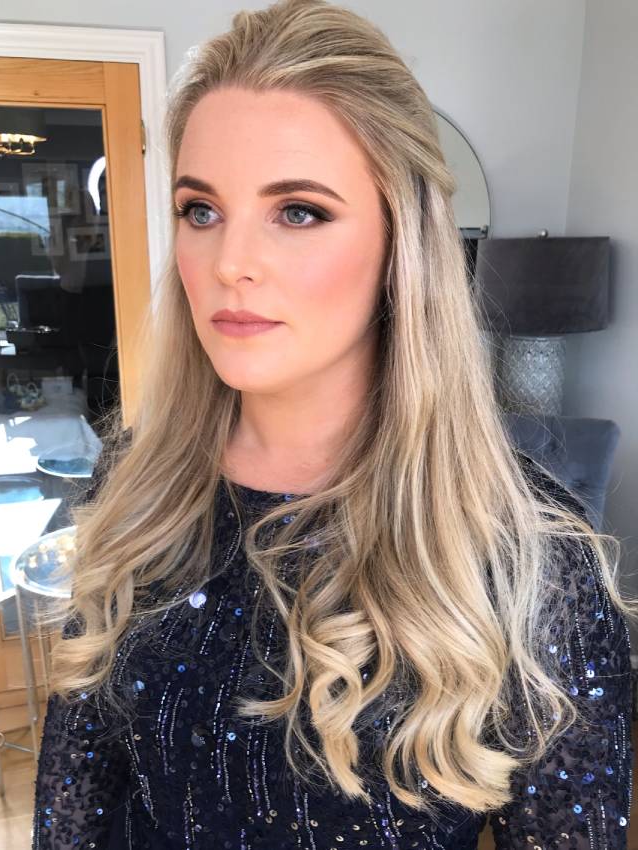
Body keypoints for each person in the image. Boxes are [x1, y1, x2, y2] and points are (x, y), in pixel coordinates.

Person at [32, 1, 636, 847]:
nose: (229, 262)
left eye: (298, 212)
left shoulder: (533, 557)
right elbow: (75, 806)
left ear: (400, 242)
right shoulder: (136, 485)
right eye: (201, 210)